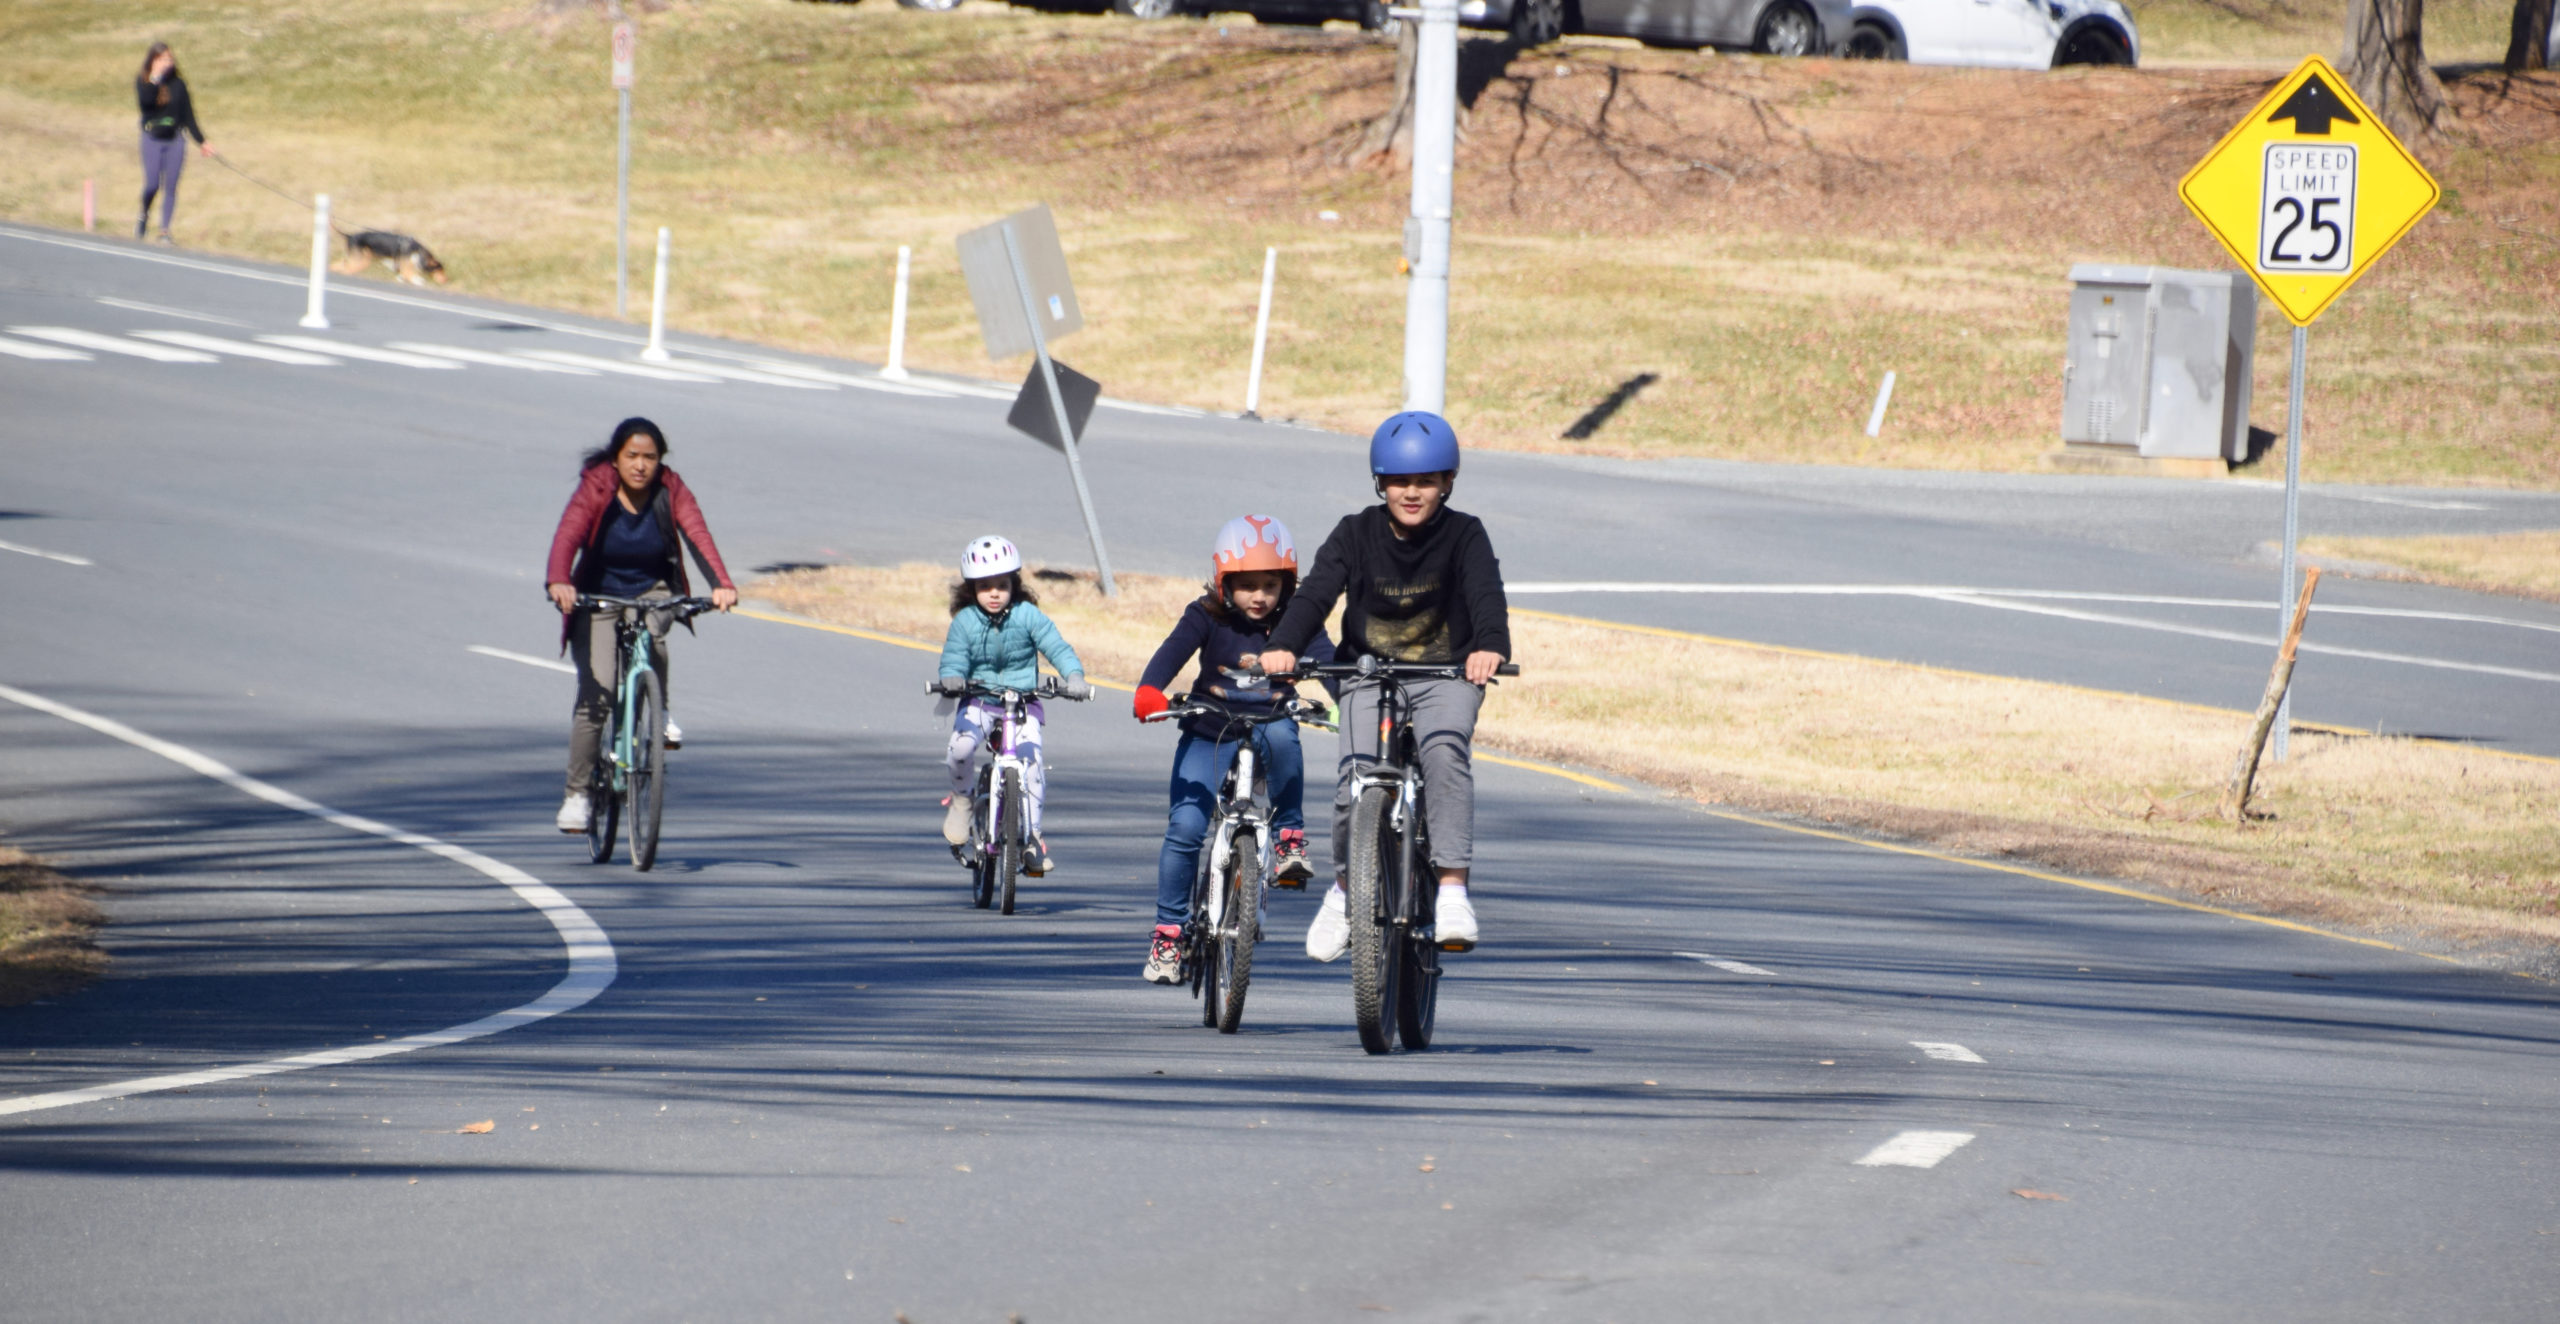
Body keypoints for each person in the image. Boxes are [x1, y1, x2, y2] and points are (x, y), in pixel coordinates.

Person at [1259, 411, 1510, 957]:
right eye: (1399, 481)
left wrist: (1490, 646)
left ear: (1447, 481)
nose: (1412, 492)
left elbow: (1486, 594)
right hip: (1367, 673)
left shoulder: (1465, 534)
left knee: (1444, 752)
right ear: (1380, 482)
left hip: (1446, 672)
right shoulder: (1355, 532)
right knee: (1356, 779)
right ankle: (1345, 892)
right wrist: (1285, 643)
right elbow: (1315, 593)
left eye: (1425, 480)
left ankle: (1450, 890)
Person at [1130, 516, 1338, 985]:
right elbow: (1171, 652)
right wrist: (1150, 689)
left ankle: (1288, 837)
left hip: (1270, 720)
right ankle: (1168, 933)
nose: (1259, 596)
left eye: (1270, 584)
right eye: (1247, 586)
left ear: (1288, 585)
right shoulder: (1204, 614)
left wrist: (1350, 703)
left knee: (1285, 736)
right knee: (1185, 827)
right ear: (1224, 582)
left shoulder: (1297, 620)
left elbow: (1327, 663)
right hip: (1210, 728)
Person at [544, 418, 737, 834]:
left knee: (653, 635)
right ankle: (577, 795)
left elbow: (697, 534)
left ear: (659, 461)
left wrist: (722, 584)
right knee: (598, 695)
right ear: (615, 459)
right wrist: (560, 578)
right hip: (597, 594)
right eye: (631, 456)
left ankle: (658, 710)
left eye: (650, 457)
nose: (640, 465)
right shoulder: (596, 486)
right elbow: (569, 532)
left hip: (653, 588)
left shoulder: (671, 489)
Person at [933, 536, 1091, 875]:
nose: (993, 593)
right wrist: (951, 677)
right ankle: (962, 800)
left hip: (1022, 703)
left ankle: (1032, 837)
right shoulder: (964, 622)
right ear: (972, 588)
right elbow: (955, 656)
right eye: (985, 586)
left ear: (1014, 585)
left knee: (1032, 765)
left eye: (1001, 585)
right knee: (960, 749)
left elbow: (1056, 646)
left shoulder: (1027, 615)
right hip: (979, 699)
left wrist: (1074, 676)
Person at [134, 43, 213, 245]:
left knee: (171, 186)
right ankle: (143, 215)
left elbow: (188, 115)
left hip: (175, 139)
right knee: (152, 184)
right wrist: (155, 79)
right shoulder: (143, 81)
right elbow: (146, 104)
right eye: (161, 59)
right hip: (152, 138)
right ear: (152, 61)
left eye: (168, 59)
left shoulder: (179, 84)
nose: (165, 63)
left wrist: (202, 141)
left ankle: (164, 230)